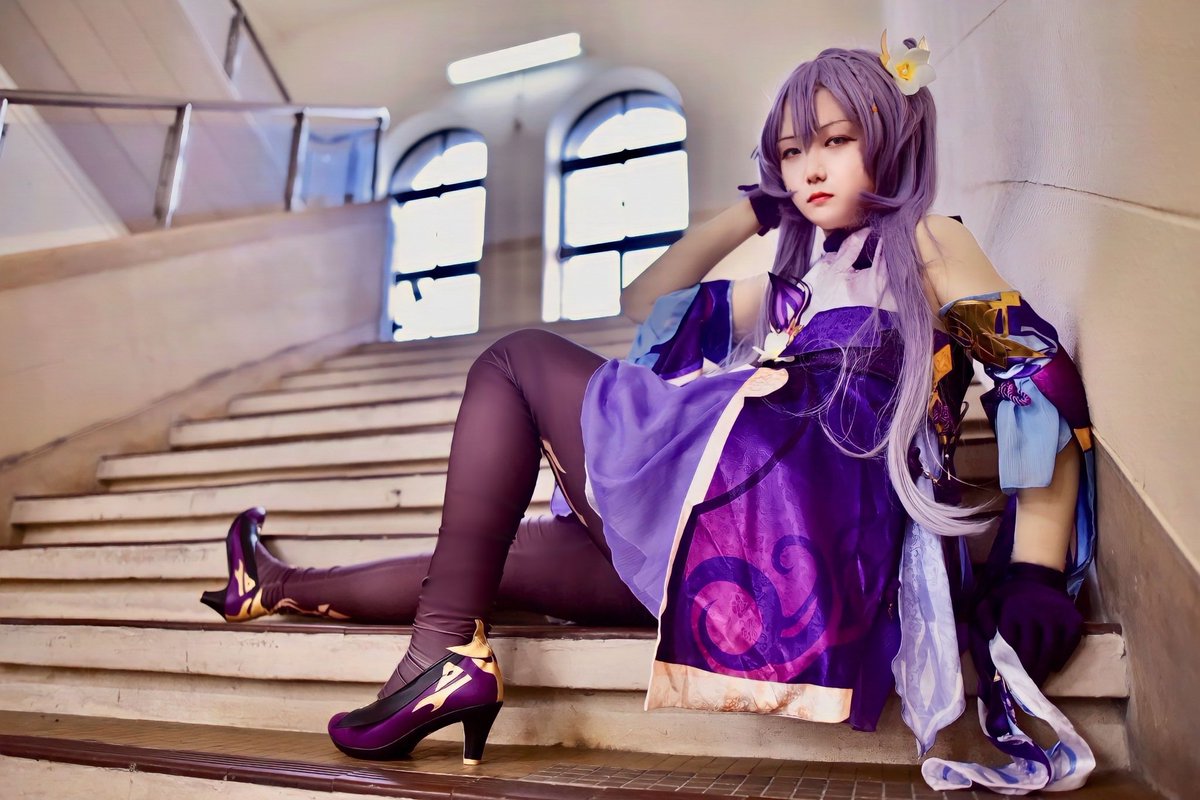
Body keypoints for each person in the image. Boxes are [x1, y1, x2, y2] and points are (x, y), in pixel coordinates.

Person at [200, 33, 1096, 793]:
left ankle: (439, 660)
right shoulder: (793, 283)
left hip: (802, 527)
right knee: (492, 563)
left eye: (835, 141)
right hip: (729, 538)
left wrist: (1034, 573)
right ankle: (277, 587)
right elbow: (649, 303)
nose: (810, 169)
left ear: (890, 140)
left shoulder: (924, 242)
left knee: (515, 361)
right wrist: (755, 213)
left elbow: (1035, 378)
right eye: (791, 153)